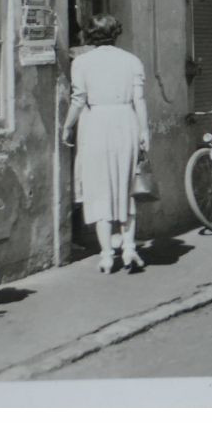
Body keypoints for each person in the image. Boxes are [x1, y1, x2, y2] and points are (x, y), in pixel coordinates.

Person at [62, 14, 150, 274]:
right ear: (115, 33)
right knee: (126, 185)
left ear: (89, 35)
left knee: (99, 187)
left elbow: (78, 100)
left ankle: (107, 255)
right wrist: (145, 130)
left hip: (96, 124)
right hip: (126, 121)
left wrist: (67, 126)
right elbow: (140, 100)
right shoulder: (131, 60)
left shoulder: (82, 62)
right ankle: (130, 248)